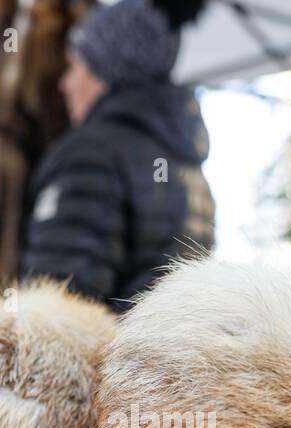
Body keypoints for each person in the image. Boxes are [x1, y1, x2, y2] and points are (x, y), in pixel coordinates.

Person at [21, 0, 214, 311]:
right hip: (166, 356)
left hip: (101, 358)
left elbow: (56, 313)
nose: (64, 84)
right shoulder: (186, 158)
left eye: (73, 67)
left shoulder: (89, 154)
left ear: (106, 72)